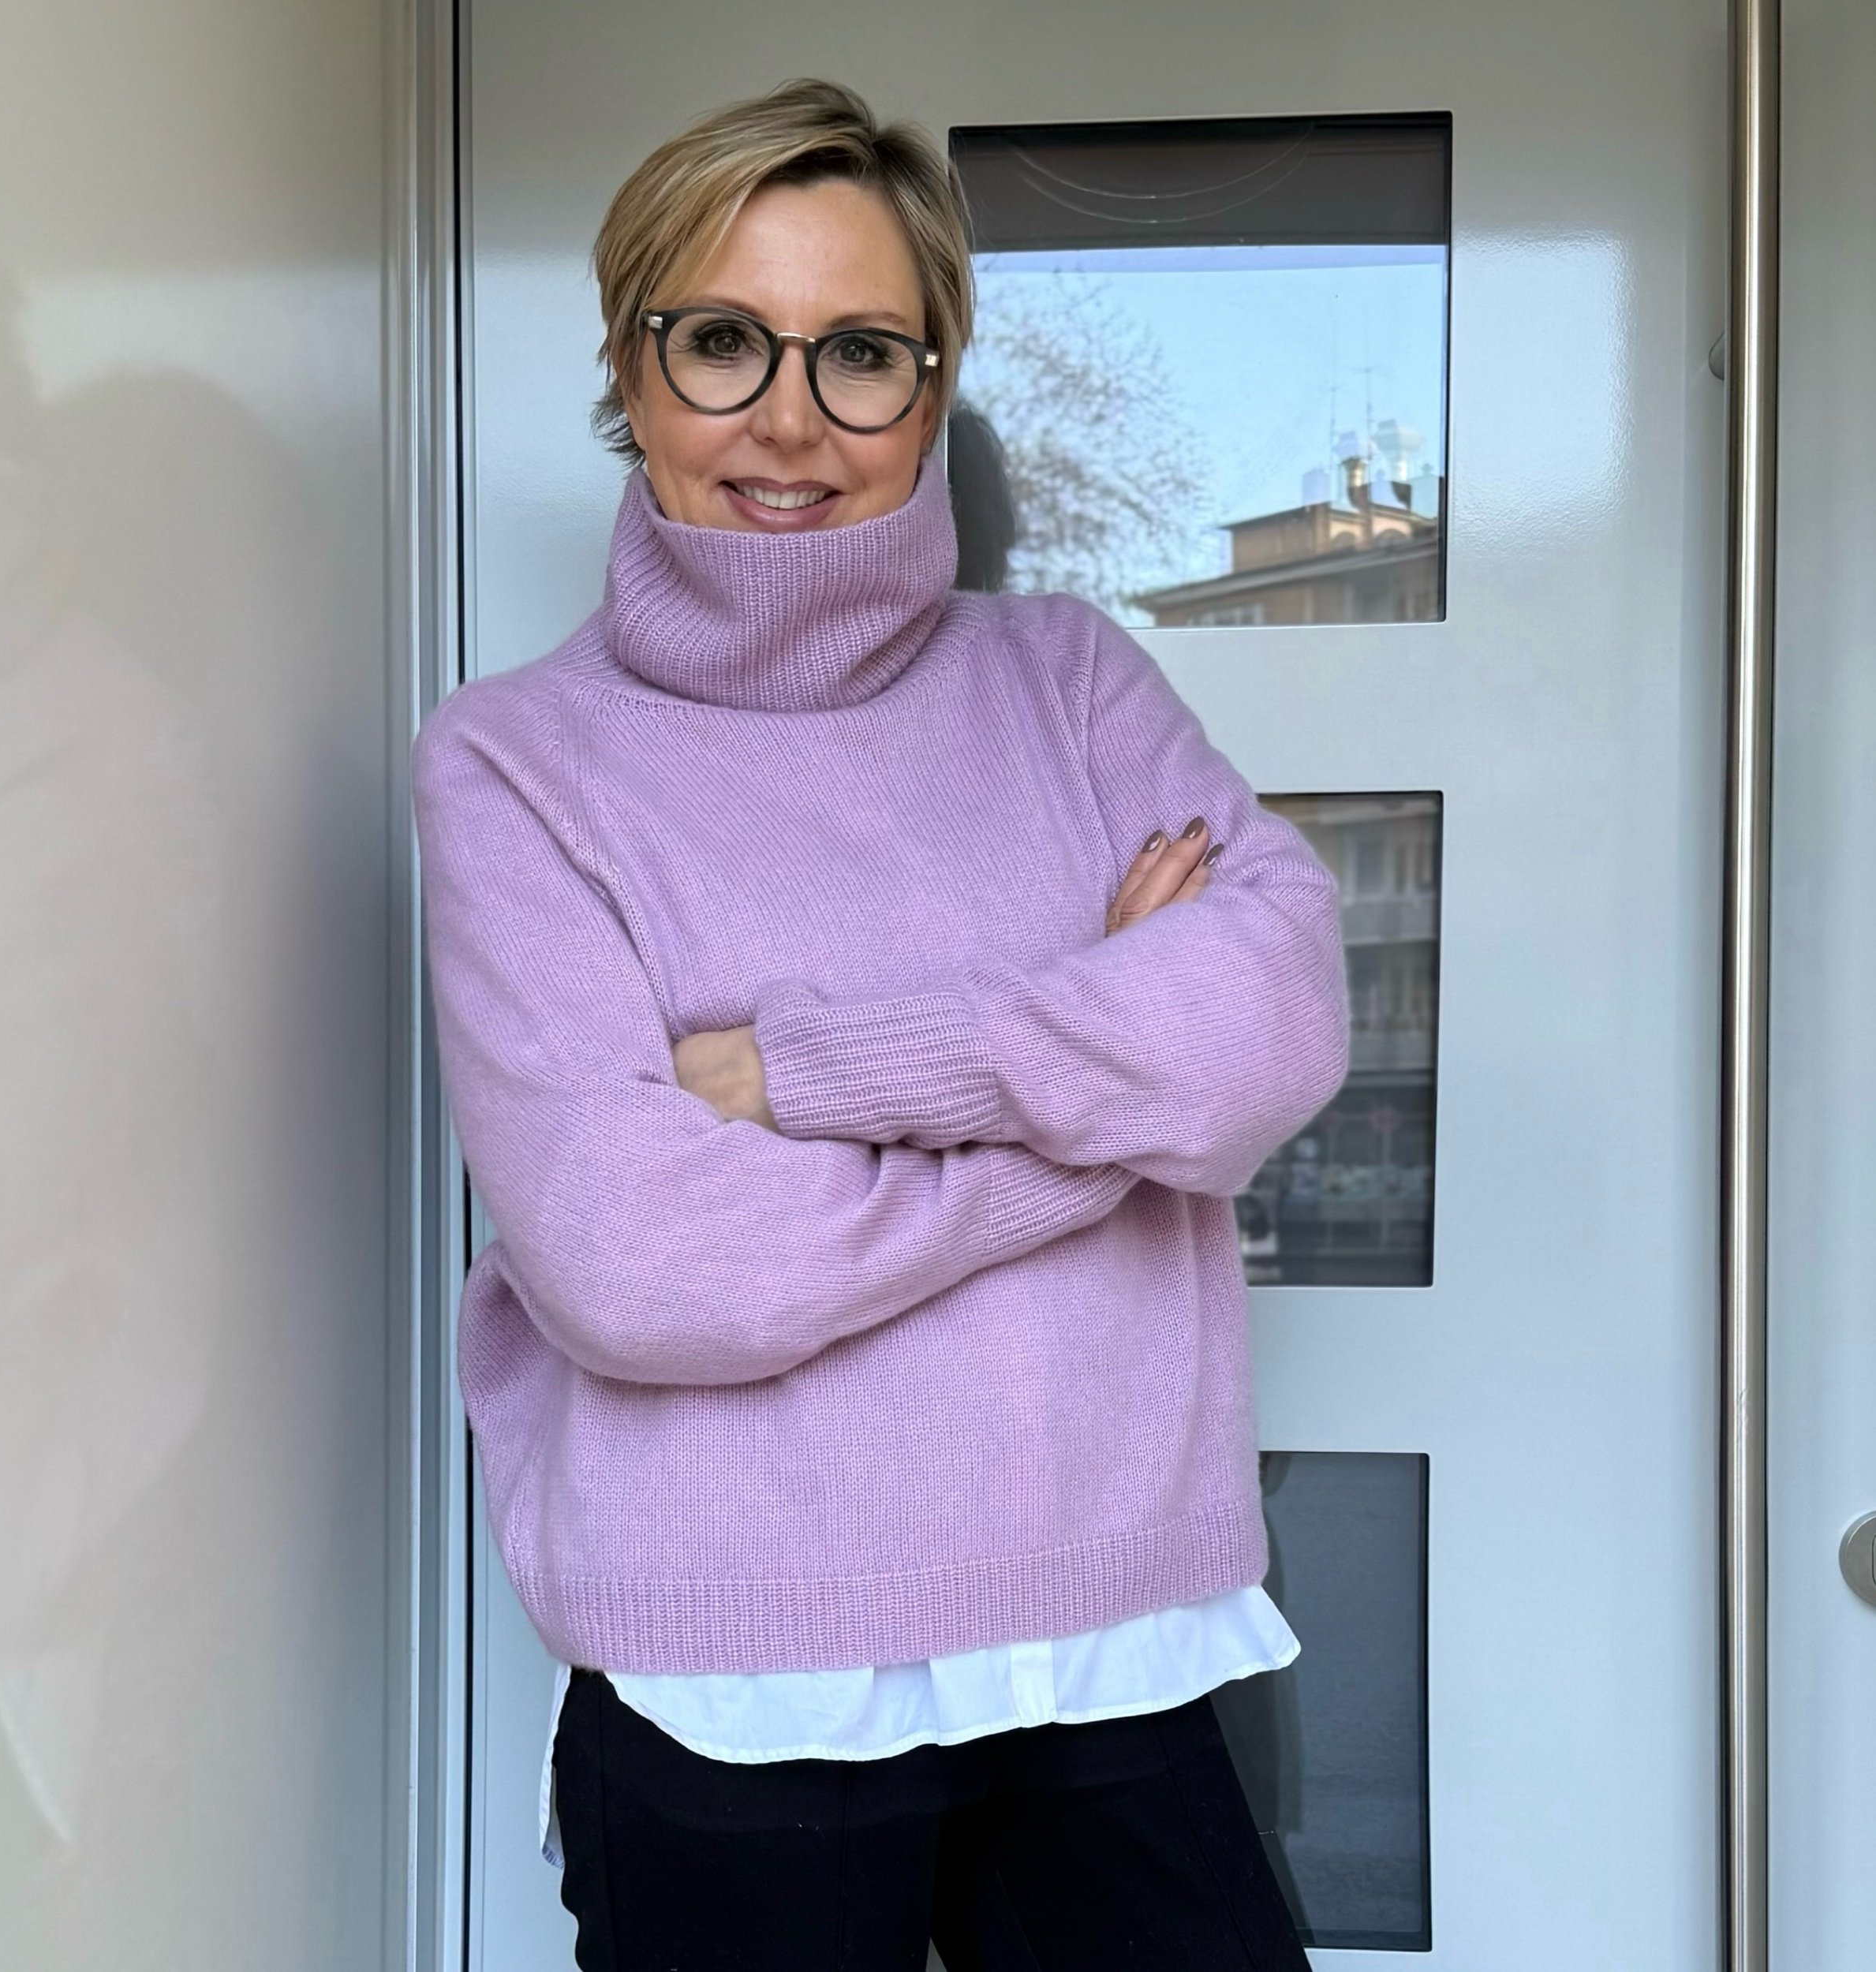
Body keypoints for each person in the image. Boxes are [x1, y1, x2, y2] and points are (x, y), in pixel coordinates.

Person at [413, 76, 1347, 1972]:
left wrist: (802, 1070)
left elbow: (1268, 1025)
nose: (788, 419)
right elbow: (641, 1261)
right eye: (721, 341)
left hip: (1111, 1643)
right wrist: (1096, 1115)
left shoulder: (1069, 681)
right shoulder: (512, 762)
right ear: (628, 364)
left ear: (930, 389)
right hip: (730, 1682)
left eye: (859, 353)